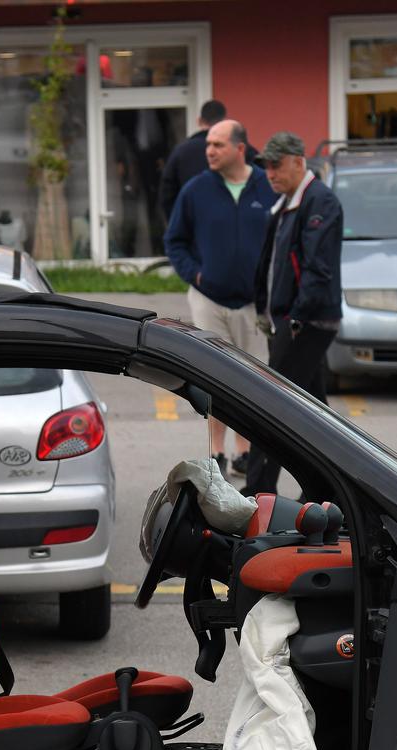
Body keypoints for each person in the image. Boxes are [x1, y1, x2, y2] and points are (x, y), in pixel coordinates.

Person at [163, 119, 275, 478]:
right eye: (208, 144)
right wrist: (195, 273)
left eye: (218, 144)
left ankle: (243, 451)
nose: (209, 150)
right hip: (208, 299)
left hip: (255, 304)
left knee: (251, 378)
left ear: (240, 148)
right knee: (213, 376)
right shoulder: (196, 190)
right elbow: (175, 241)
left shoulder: (267, 187)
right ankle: (216, 453)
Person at [243, 131, 343, 498]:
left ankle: (257, 492)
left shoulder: (319, 202)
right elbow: (272, 264)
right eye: (266, 166)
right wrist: (263, 309)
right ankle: (329, 491)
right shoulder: (287, 204)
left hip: (307, 322)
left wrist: (295, 320)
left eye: (276, 164)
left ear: (299, 162)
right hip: (291, 320)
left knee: (270, 407)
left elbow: (317, 270)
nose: (270, 172)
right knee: (318, 416)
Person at [158, 100, 261, 226]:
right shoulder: (242, 149)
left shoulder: (181, 152)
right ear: (224, 121)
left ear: (199, 121)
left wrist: (179, 224)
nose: (211, 152)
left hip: (196, 224)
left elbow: (167, 194)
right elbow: (262, 180)